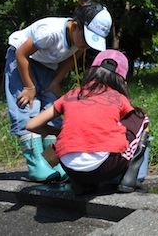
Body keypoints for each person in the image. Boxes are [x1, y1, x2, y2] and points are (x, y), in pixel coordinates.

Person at [5, 0, 113, 183]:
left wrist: (56, 81)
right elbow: (21, 53)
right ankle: (35, 163)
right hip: (22, 62)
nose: (86, 45)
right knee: (27, 106)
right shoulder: (50, 31)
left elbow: (72, 58)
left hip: (48, 68)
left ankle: (52, 163)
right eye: (86, 39)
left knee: (52, 111)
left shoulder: (80, 43)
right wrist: (29, 87)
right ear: (76, 26)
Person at [26, 49, 150, 195]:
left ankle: (79, 183)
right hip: (106, 168)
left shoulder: (71, 94)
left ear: (92, 72)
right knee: (140, 116)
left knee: (60, 143)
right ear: (122, 81)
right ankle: (130, 177)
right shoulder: (118, 98)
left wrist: (59, 132)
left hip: (70, 170)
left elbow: (31, 125)